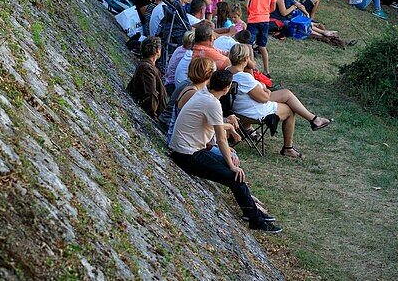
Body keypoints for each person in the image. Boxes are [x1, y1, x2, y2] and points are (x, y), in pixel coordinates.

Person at [168, 67, 282, 233]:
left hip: (187, 150)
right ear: (227, 88)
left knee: (234, 172)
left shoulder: (204, 94)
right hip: (187, 156)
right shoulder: (213, 103)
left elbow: (215, 123)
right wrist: (232, 164)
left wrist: (228, 126)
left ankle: (252, 211)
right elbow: (221, 139)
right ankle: (255, 220)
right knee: (234, 175)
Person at [227, 44, 331, 159]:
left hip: (237, 109)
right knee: (289, 110)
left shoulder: (228, 71)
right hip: (251, 112)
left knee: (286, 93)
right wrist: (265, 90)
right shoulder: (244, 78)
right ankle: (288, 148)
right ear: (246, 59)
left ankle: (314, 119)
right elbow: (264, 98)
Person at [127, 37, 168, 126]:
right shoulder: (147, 68)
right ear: (157, 50)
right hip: (154, 114)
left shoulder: (147, 66)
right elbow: (151, 93)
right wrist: (154, 117)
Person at [244, 0, 277, 75]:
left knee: (249, 44)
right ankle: (267, 70)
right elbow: (273, 6)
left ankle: (252, 68)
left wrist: (250, 11)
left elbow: (246, 3)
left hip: (253, 19)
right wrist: (266, 12)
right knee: (262, 46)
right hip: (265, 19)